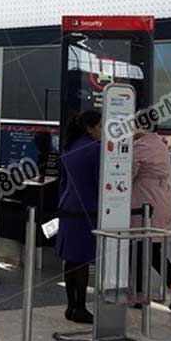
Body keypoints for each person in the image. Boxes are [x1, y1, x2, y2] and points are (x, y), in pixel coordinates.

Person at [132, 127, 171, 310]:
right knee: (154, 251)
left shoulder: (140, 147)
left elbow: (127, 175)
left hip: (145, 203)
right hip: (162, 201)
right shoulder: (161, 144)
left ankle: (139, 295)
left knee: (139, 249)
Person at [56, 110, 101, 324]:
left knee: (71, 259)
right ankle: (81, 308)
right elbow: (99, 182)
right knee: (82, 259)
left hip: (67, 207)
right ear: (89, 128)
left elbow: (63, 181)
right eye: (100, 126)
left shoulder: (69, 147)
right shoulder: (94, 149)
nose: (103, 131)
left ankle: (71, 306)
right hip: (86, 209)